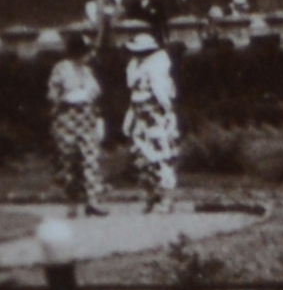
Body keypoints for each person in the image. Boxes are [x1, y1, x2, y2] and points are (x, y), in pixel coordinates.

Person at [117, 25, 183, 208]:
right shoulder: (134, 67)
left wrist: (167, 113)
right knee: (142, 157)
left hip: (156, 115)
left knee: (161, 154)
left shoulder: (157, 67)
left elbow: (162, 95)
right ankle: (151, 195)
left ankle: (166, 198)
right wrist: (129, 117)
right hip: (140, 117)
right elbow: (133, 97)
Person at [44, 37, 110, 213]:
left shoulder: (87, 71)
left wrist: (98, 118)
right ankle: (72, 202)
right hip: (67, 118)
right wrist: (64, 101)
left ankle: (93, 202)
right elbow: (53, 95)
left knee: (91, 158)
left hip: (86, 118)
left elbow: (96, 96)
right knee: (69, 160)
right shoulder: (61, 69)